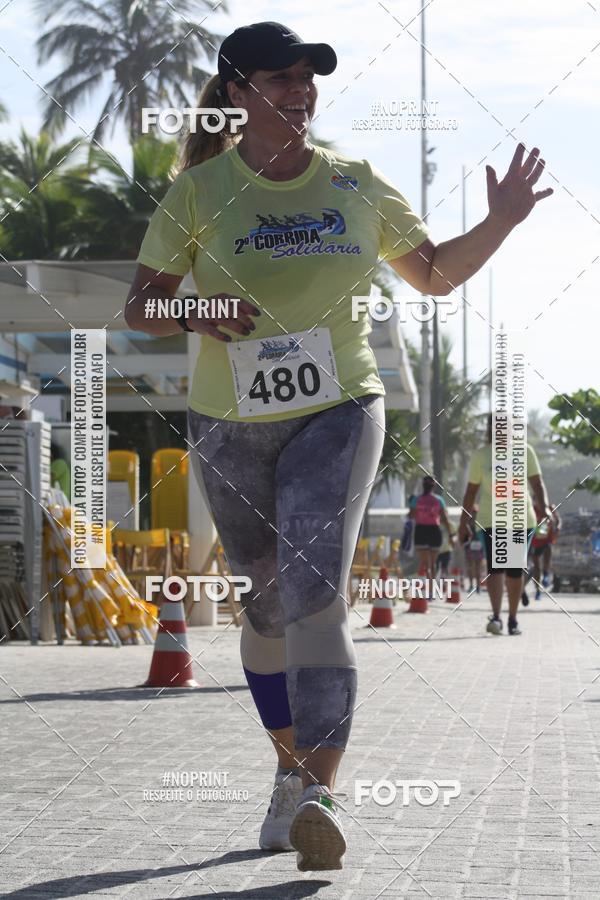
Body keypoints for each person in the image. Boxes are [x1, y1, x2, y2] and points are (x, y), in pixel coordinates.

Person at [124, 20, 552, 871]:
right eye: (281, 78)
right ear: (238, 94)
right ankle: (288, 771)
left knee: (317, 589)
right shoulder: (201, 195)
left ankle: (321, 790)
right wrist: (198, 311)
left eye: (309, 78)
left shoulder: (355, 182)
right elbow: (143, 305)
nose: (300, 90)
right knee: (267, 605)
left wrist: (498, 222)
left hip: (342, 408)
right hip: (230, 418)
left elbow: (432, 272)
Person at [459, 415, 554, 636]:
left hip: (521, 519)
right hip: (491, 519)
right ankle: (497, 617)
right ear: (490, 430)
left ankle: (512, 618)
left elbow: (537, 483)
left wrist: (546, 507)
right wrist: (463, 523)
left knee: (514, 568)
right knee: (496, 567)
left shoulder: (525, 451)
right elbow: (471, 492)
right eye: (495, 427)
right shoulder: (481, 456)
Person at [409, 475, 454, 581]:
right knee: (433, 564)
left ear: (423, 486)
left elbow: (411, 515)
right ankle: (431, 589)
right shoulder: (439, 500)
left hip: (421, 530)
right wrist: (451, 534)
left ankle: (424, 589)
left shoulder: (416, 499)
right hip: (434, 531)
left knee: (425, 563)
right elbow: (445, 519)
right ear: (433, 487)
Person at [462, 503, 484, 593]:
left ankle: (474, 586)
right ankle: (476, 586)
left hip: (472, 545)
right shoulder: (480, 521)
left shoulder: (468, 522)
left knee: (472, 566)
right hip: (477, 545)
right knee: (476, 567)